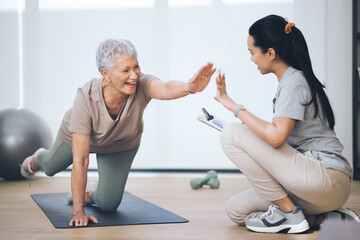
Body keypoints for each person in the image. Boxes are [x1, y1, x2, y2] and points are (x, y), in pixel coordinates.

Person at [21, 38, 216, 227]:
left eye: (136, 67)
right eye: (126, 70)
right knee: (50, 168)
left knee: (108, 205)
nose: (134, 75)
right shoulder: (86, 97)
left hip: (120, 144)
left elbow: (164, 88)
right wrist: (78, 213)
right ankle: (38, 158)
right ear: (105, 73)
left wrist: (189, 87)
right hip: (77, 137)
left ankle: (85, 193)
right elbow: (81, 161)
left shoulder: (141, 85)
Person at [214, 15, 358, 234]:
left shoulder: (294, 81)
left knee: (231, 133)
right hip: (314, 187)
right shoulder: (292, 81)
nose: (252, 59)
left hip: (326, 177)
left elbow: (276, 137)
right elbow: (277, 138)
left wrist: (234, 107)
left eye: (252, 52)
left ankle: (290, 214)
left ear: (270, 53)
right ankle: (325, 217)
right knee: (236, 210)